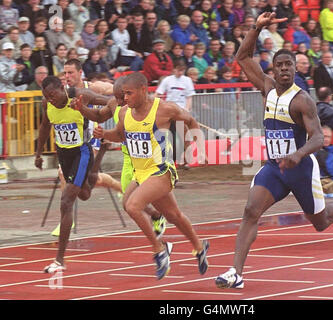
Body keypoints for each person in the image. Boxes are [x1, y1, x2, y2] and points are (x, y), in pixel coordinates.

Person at [215, 12, 333, 290]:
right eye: (279, 65)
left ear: (295, 70)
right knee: (250, 211)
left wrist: (298, 154)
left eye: (288, 66)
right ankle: (236, 272)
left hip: (301, 170)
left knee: (321, 222)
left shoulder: (302, 100)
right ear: (272, 69)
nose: (284, 69)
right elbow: (243, 58)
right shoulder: (267, 88)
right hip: (273, 168)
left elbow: (319, 138)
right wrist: (257, 28)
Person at [92, 72, 209, 280]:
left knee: (133, 205)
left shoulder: (163, 109)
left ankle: (159, 250)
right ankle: (200, 247)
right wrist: (103, 136)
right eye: (123, 94)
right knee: (173, 215)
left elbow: (191, 121)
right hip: (141, 172)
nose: (125, 98)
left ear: (143, 90)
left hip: (161, 170)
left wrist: (198, 147)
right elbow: (120, 135)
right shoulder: (124, 113)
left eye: (129, 93)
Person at [70, 76, 168, 237]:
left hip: (150, 160)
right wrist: (82, 109)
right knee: (128, 202)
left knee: (152, 201)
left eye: (122, 97)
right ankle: (156, 216)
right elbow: (98, 116)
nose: (121, 101)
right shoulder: (115, 104)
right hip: (130, 159)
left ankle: (163, 242)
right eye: (117, 97)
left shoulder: (144, 105)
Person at [35, 75, 111, 273]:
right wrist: (38, 153)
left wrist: (126, 105)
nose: (50, 100)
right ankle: (101, 156)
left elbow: (108, 102)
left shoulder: (80, 96)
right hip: (63, 153)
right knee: (84, 194)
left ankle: (60, 260)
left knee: (66, 201)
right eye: (46, 97)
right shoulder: (47, 104)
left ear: (63, 87)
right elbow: (45, 126)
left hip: (81, 152)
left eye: (52, 95)